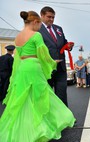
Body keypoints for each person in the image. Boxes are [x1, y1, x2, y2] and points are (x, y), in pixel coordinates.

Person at [0, 11, 76, 142]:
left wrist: (16, 75)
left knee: (23, 99)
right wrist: (52, 63)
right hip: (34, 67)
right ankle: (40, 128)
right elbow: (43, 55)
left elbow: (17, 58)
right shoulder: (36, 35)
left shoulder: (18, 37)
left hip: (22, 69)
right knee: (41, 95)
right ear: (35, 22)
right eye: (39, 23)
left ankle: (22, 129)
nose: (40, 26)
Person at [39, 6, 74, 106]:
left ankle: (65, 119)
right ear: (41, 15)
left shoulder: (58, 29)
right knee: (47, 95)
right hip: (46, 68)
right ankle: (49, 119)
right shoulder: (37, 30)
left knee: (62, 94)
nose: (51, 19)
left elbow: (64, 43)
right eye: (49, 17)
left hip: (61, 68)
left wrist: (69, 46)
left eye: (53, 17)